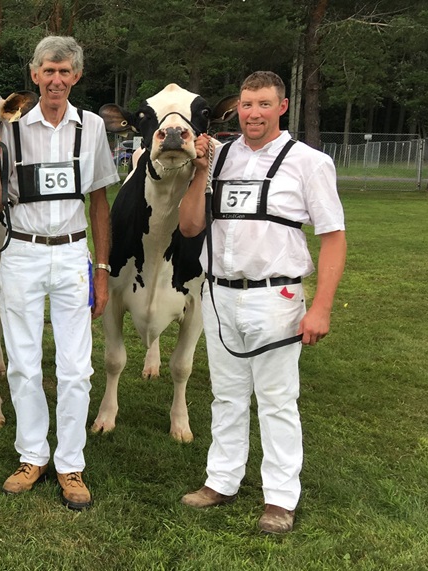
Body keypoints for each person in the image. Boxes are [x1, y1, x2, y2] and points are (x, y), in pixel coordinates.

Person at [177, 71, 346, 534]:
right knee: (226, 394)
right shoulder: (219, 158)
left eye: (264, 104)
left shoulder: (308, 162)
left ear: (282, 107)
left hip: (276, 295)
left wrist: (322, 308)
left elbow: (333, 238)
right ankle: (222, 480)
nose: (253, 113)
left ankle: (280, 498)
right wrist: (198, 170)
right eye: (247, 105)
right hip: (219, 292)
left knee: (275, 399)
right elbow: (190, 227)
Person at [0, 35, 119, 511]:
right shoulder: (10, 125)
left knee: (76, 367)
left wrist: (101, 271)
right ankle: (32, 455)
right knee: (21, 362)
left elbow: (99, 200)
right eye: (48, 71)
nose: (56, 79)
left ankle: (70, 463)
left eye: (65, 72)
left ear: (76, 76)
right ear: (35, 75)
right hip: (21, 252)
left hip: (73, 254)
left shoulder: (94, 127)